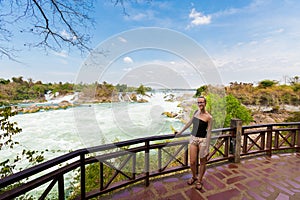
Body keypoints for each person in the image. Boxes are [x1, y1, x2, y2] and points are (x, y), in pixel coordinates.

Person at [175, 96, 212, 190]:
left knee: (202, 162)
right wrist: (180, 132)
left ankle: (199, 181)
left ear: (205, 103)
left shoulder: (209, 117)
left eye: (202, 102)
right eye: (199, 102)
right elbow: (189, 123)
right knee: (192, 162)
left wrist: (207, 147)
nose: (200, 104)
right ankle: (194, 177)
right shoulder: (196, 112)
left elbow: (209, 132)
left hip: (203, 140)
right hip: (193, 138)